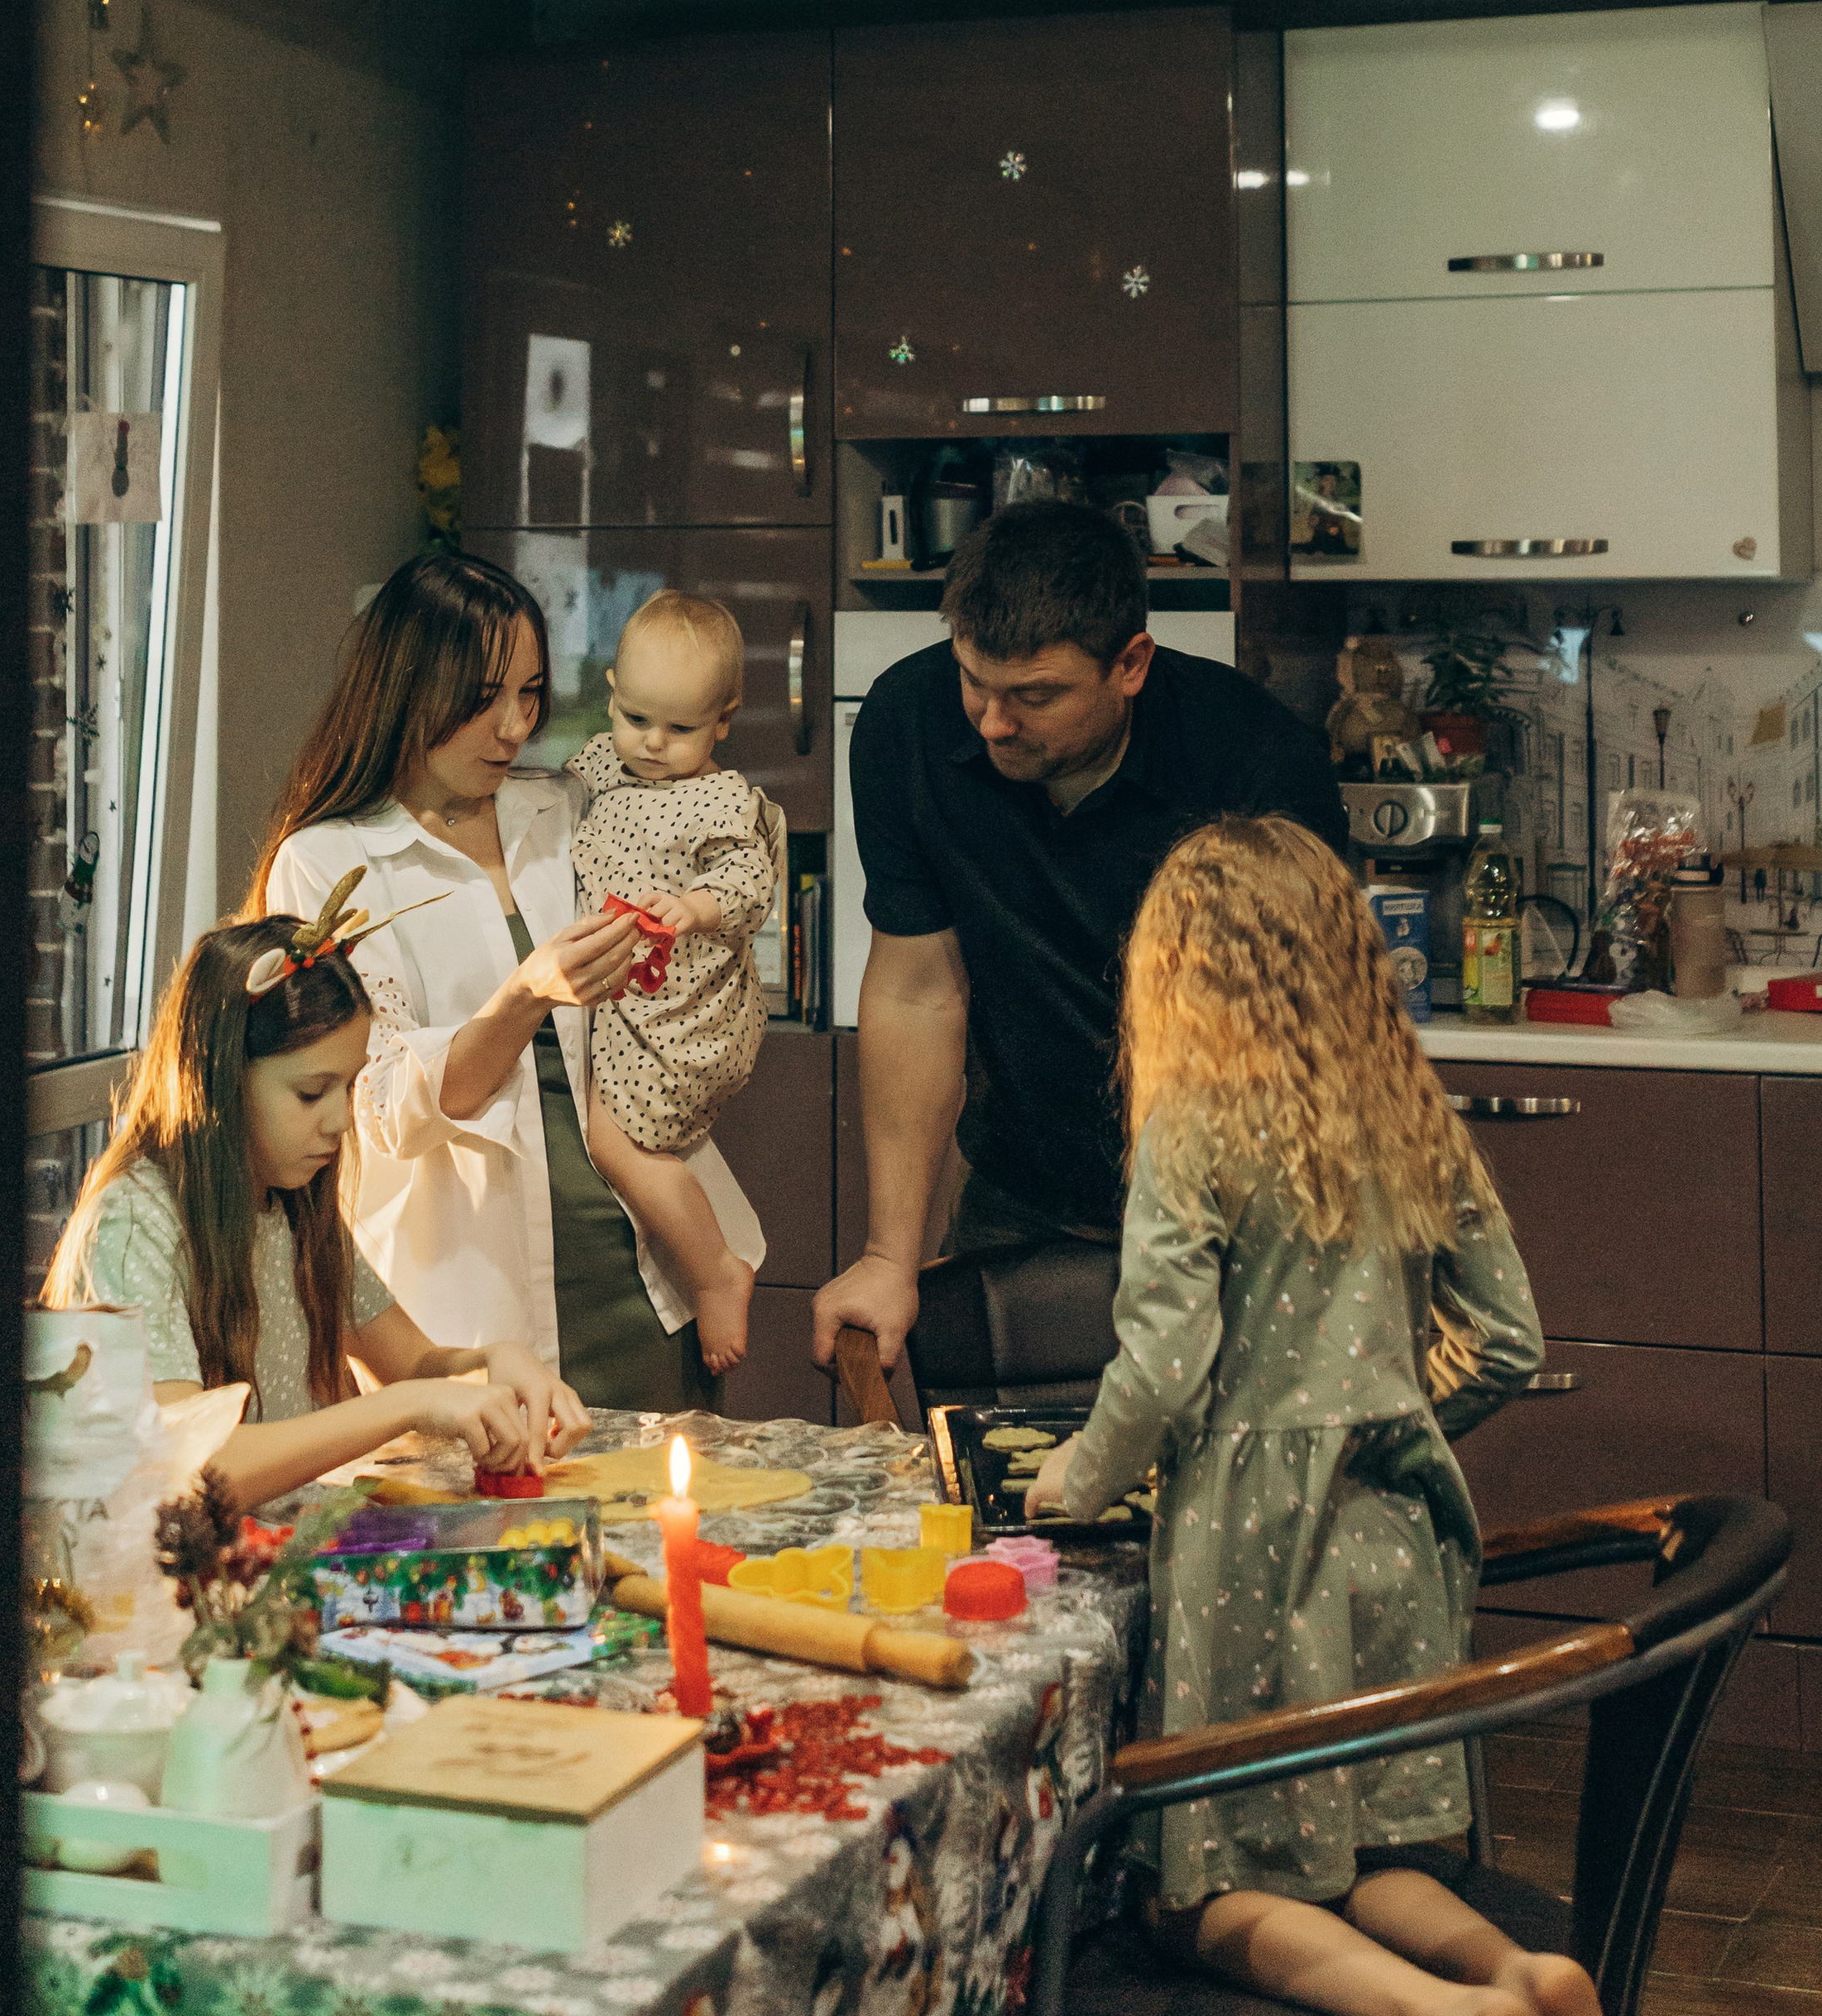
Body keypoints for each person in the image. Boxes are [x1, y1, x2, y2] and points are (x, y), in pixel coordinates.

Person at [1026, 817, 1658, 2016]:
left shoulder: (1196, 1123)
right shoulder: (1403, 1109)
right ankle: (1528, 1977)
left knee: (1198, 1888)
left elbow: (1166, 1364)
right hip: (1398, 1529)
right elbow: (1506, 1342)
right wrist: (1384, 1417)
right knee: (1357, 1841)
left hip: (1253, 1543)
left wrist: (1076, 1480)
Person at [810, 500, 1347, 1372]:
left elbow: (1292, 1042)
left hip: (1232, 1214)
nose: (991, 722)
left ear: (1130, 663)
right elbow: (917, 989)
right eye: (974, 680)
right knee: (996, 1491)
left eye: (1034, 696)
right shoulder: (907, 723)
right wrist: (887, 1256)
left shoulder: (1254, 762)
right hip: (1018, 1198)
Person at [252, 550, 764, 1412]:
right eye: (482, 699)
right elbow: (383, 1112)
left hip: (645, 1273)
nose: (514, 726)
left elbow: (720, 850)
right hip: (471, 1302)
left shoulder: (563, 810)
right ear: (407, 690)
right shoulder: (329, 862)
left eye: (529, 693)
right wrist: (525, 996)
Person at [41, 907, 589, 1510]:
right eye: (311, 1092)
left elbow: (412, 1364)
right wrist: (401, 1406)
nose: (338, 1121)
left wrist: (492, 1362)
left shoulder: (292, 1204)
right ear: (218, 1076)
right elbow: (187, 1470)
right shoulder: (135, 1223)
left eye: (350, 1087)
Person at [566, 590, 784, 1376]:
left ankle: (715, 1269)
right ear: (612, 699)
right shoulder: (601, 762)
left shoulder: (719, 797)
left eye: (681, 728)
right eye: (636, 719)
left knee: (613, 1141)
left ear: (723, 720)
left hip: (687, 1018)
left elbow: (750, 880)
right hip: (635, 1011)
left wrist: (693, 906)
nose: (653, 744)